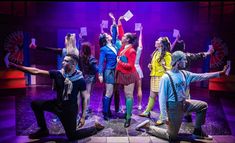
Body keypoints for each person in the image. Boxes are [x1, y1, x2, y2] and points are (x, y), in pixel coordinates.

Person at [136, 51, 228, 141]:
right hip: (173, 107)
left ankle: (198, 131)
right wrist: (164, 117)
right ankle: (148, 127)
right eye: (184, 60)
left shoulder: (185, 73)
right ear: (177, 61)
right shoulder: (166, 77)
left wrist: (220, 73)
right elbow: (162, 98)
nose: (186, 61)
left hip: (184, 103)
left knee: (202, 106)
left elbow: (202, 76)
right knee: (171, 136)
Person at [9, 54, 104, 141]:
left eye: (66, 61)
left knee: (72, 136)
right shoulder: (58, 74)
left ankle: (95, 128)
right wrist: (17, 67)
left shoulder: (80, 80)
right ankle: (43, 130)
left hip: (69, 111)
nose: (63, 62)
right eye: (63, 60)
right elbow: (36, 71)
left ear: (73, 64)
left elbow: (84, 98)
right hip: (56, 105)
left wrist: (83, 117)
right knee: (35, 104)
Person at [170, 34, 214, 122]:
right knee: (186, 96)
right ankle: (187, 114)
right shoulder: (187, 56)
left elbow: (170, 48)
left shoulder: (172, 57)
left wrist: (176, 39)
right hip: (184, 81)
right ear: (184, 47)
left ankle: (180, 114)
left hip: (175, 81)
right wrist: (209, 52)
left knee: (176, 97)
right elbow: (199, 55)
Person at [139, 37, 172, 126]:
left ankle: (163, 117)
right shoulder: (155, 53)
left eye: (158, 40)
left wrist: (164, 66)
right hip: (154, 76)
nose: (156, 41)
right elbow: (155, 66)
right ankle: (147, 111)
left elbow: (170, 68)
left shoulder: (167, 55)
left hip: (161, 77)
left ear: (161, 44)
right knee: (152, 95)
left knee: (162, 98)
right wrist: (150, 67)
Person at [115, 16, 139, 128]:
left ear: (128, 39)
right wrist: (119, 22)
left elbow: (130, 66)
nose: (122, 37)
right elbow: (121, 33)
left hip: (129, 75)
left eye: (124, 36)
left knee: (129, 95)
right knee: (125, 95)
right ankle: (127, 112)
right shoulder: (124, 45)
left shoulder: (131, 50)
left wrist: (119, 62)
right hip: (122, 74)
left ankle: (128, 118)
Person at [98, 13, 122, 120]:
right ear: (105, 39)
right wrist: (100, 74)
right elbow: (100, 62)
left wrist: (113, 20)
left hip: (115, 70)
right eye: (107, 35)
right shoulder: (104, 49)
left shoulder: (112, 44)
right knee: (109, 92)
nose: (109, 35)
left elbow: (115, 32)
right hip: (109, 71)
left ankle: (107, 110)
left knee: (111, 92)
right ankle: (105, 113)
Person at [79, 42, 98, 115]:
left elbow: (80, 67)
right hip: (90, 77)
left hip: (83, 76)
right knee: (88, 94)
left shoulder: (80, 57)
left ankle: (85, 108)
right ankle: (86, 110)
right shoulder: (91, 57)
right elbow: (95, 69)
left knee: (83, 94)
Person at [135, 25, 144, 110]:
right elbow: (140, 40)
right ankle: (139, 105)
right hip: (137, 68)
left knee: (128, 90)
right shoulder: (138, 49)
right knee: (139, 88)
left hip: (131, 69)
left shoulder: (128, 49)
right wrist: (141, 31)